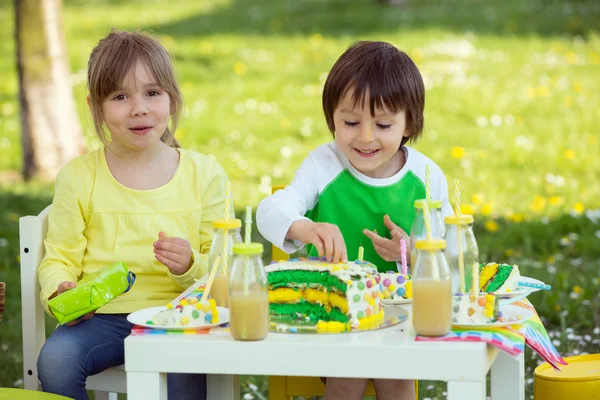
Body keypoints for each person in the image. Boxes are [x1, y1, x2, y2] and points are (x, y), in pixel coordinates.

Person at [36, 30, 231, 400]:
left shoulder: (205, 174)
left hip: (180, 317)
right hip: (104, 320)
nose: (139, 107)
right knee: (57, 359)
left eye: (152, 93)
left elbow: (224, 266)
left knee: (186, 368)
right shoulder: (79, 177)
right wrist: (62, 293)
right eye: (120, 96)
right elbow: (58, 258)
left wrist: (189, 263)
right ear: (96, 107)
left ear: (172, 100)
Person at [257, 41, 452, 400]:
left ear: (409, 123)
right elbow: (269, 211)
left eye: (382, 124)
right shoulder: (323, 164)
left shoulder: (426, 176)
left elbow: (450, 255)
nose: (365, 137)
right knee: (349, 374)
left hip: (402, 324)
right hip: (334, 318)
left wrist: (410, 251)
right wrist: (306, 227)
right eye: (350, 122)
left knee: (396, 377)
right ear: (331, 117)